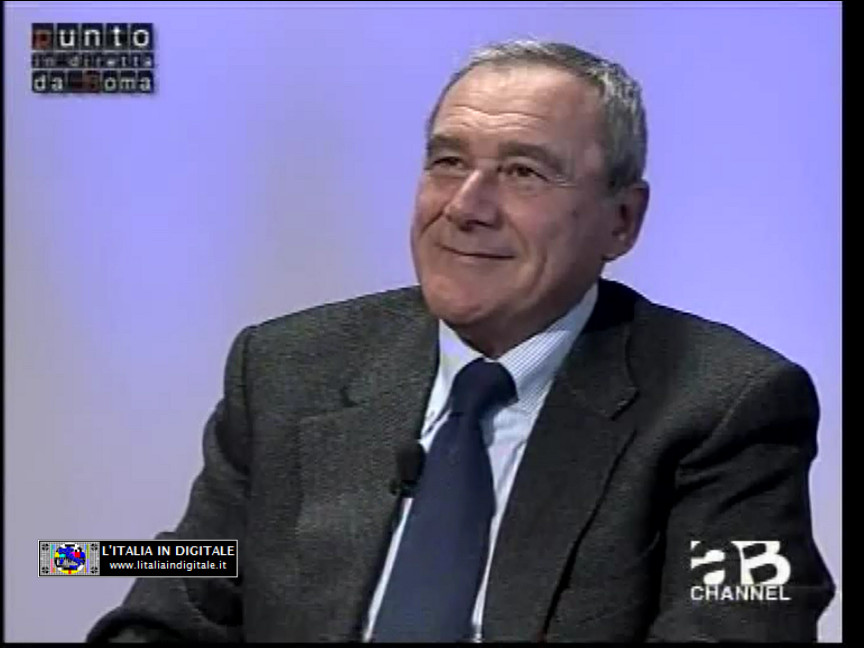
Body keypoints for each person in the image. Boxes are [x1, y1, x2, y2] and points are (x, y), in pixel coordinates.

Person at [87, 39, 835, 642]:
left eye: (523, 171)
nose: (466, 206)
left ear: (622, 220)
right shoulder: (286, 370)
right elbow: (182, 593)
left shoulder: (725, 406)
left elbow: (740, 629)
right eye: (448, 162)